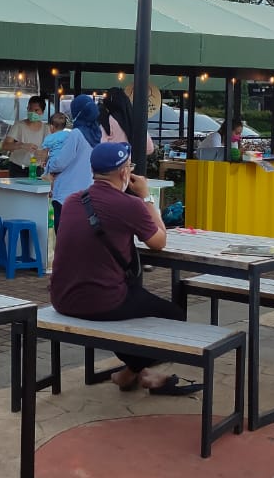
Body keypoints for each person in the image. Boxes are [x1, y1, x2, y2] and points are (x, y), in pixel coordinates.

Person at [50, 142, 198, 395]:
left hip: (62, 298)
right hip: (101, 301)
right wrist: (147, 196)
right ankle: (132, 372)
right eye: (129, 166)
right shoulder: (130, 205)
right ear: (123, 173)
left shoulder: (75, 200)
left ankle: (133, 371)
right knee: (175, 316)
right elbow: (159, 241)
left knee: (132, 307)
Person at [46, 94, 100, 232]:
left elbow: (60, 162)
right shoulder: (98, 134)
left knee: (64, 237)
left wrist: (49, 165)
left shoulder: (76, 134)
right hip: (88, 194)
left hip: (66, 194)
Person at [0, 95, 48, 177]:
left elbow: (48, 150)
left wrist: (44, 155)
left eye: (36, 110)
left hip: (37, 169)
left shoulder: (46, 129)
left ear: (42, 112)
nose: (33, 113)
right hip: (18, 168)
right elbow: (5, 145)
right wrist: (21, 145)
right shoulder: (19, 125)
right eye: (30, 109)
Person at [99, 86, 154, 154]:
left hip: (114, 162)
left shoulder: (108, 120)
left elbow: (101, 147)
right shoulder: (136, 120)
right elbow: (149, 148)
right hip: (132, 163)